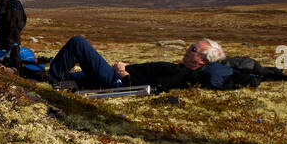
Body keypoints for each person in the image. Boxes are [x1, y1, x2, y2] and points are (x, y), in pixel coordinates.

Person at [46, 35, 230, 90]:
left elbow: (147, 89)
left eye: (194, 49)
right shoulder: (180, 69)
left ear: (202, 60)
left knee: (78, 43)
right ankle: (35, 75)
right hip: (114, 77)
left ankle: (52, 77)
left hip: (115, 81)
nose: (188, 49)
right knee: (71, 77)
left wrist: (122, 73)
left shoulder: (178, 73)